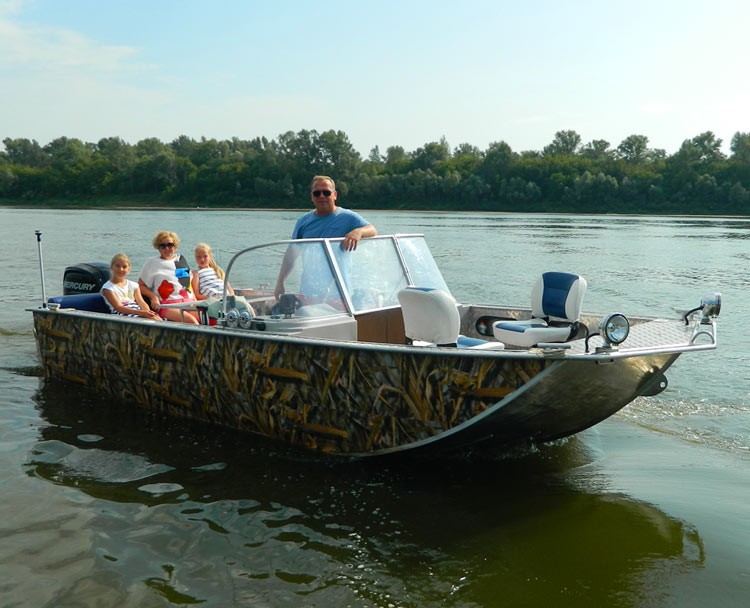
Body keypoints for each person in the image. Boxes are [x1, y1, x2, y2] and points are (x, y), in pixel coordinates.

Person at [274, 175, 377, 299]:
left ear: (335, 195)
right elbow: (291, 255)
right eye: (317, 193)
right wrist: (280, 283)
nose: (321, 196)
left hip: (339, 292)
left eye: (326, 192)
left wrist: (358, 232)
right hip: (309, 292)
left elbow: (372, 230)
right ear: (312, 197)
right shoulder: (303, 222)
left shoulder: (348, 217)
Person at [138, 231, 200, 324]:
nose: (167, 248)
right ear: (158, 247)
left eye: (170, 245)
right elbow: (140, 285)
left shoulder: (179, 260)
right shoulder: (152, 263)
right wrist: (153, 297)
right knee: (192, 321)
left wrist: (196, 301)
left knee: (208, 319)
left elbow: (187, 285)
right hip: (167, 305)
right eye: (163, 246)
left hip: (188, 302)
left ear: (174, 246)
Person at [101, 253, 162, 320]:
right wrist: (141, 313)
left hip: (137, 310)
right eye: (117, 266)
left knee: (158, 319)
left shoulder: (134, 285)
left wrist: (147, 312)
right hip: (120, 314)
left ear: (128, 269)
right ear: (112, 267)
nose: (121, 269)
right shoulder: (108, 288)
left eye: (124, 267)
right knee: (148, 319)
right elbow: (118, 307)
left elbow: (141, 302)